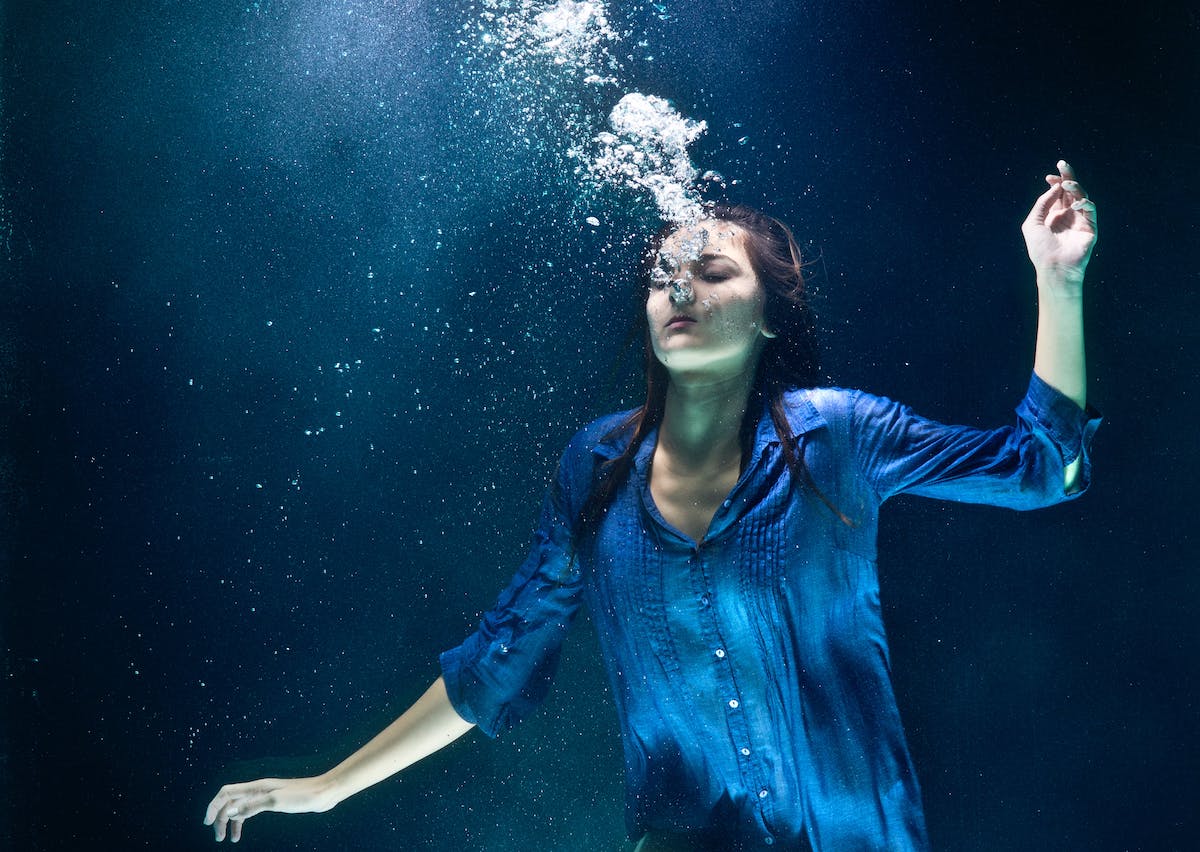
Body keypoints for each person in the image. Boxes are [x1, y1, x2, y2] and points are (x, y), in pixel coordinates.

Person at [205, 161, 1100, 850]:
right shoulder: (594, 466)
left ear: (771, 317)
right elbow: (498, 662)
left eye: (712, 274)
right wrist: (329, 785)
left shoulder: (839, 435)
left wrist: (1057, 281)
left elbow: (1040, 467)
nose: (680, 290)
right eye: (664, 276)